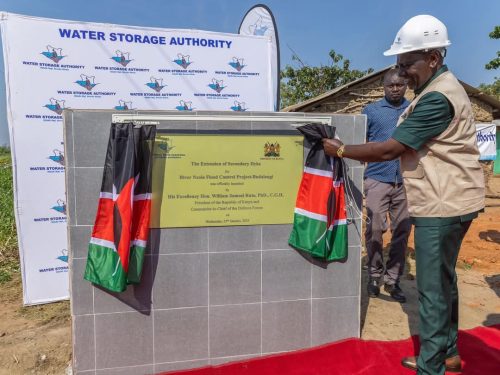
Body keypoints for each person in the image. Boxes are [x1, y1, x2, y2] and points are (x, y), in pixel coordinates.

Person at [322, 15, 484, 375]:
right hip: (452, 198)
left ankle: (431, 367)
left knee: (430, 288)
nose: (401, 71)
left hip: (443, 204)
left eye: (406, 63)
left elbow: (389, 150)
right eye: (398, 64)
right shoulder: (436, 88)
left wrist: (342, 151)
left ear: (433, 58)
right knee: (444, 281)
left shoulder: (437, 99)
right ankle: (448, 355)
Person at [363, 69, 411, 303]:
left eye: (399, 85)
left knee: (401, 233)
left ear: (406, 85)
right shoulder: (371, 111)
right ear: (383, 87)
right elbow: (362, 142)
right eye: (390, 85)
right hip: (377, 178)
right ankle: (373, 275)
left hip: (406, 181)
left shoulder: (413, 109)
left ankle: (393, 280)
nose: (395, 89)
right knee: (374, 230)